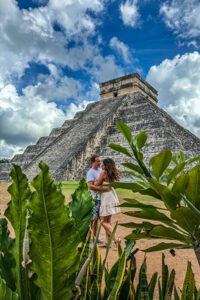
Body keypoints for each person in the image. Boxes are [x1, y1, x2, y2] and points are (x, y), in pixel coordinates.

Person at [95, 158, 121, 246]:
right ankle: (107, 242)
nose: (101, 165)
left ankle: (116, 239)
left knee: (103, 221)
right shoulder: (112, 174)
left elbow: (96, 185)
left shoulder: (103, 174)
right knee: (108, 221)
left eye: (103, 164)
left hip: (106, 198)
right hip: (112, 196)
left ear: (106, 166)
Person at [86, 154, 110, 244]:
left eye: (100, 161)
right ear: (93, 162)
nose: (99, 163)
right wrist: (103, 189)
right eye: (97, 161)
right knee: (93, 220)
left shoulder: (101, 170)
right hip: (94, 199)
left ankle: (95, 238)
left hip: (101, 199)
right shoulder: (91, 172)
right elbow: (90, 186)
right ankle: (88, 239)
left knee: (97, 221)